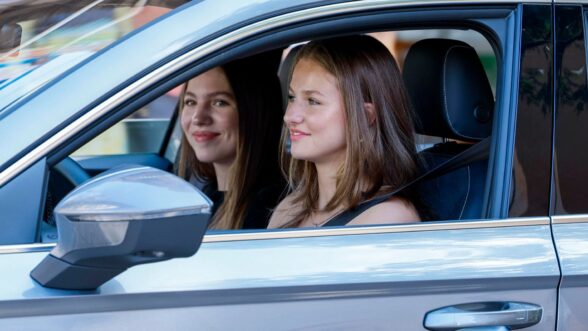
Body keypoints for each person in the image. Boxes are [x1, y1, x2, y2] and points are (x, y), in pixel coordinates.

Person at [268, 35, 422, 228]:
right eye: (291, 97)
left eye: (313, 101)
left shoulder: (388, 218)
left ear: (366, 117)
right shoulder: (289, 208)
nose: (290, 116)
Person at [177, 53, 285, 230]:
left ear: (255, 113)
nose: (198, 118)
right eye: (190, 102)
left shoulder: (268, 208)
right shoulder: (208, 192)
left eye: (219, 102)